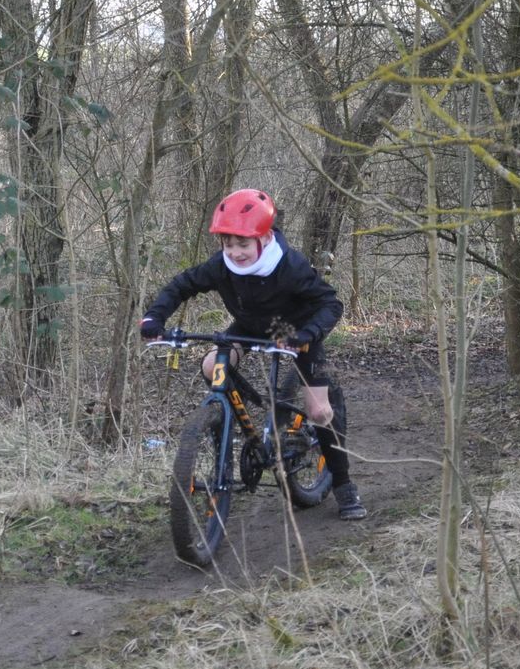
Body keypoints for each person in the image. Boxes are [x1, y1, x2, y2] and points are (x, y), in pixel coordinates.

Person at [138, 188, 367, 520]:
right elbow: (182, 285)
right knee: (211, 366)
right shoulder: (222, 265)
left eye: (243, 244)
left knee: (319, 411)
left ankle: (344, 485)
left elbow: (330, 304)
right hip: (248, 326)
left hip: (295, 331)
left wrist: (305, 335)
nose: (235, 253)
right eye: (228, 244)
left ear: (265, 237)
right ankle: (230, 422)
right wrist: (154, 318)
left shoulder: (289, 266)